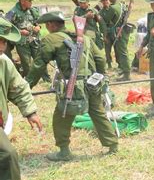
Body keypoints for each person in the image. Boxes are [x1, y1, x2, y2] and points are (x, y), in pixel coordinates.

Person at [26, 11, 118, 161]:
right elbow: (100, 58)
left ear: (50, 25)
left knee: (62, 116)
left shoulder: (51, 39)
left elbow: (39, 64)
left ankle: (64, 151)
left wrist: (27, 86)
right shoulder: (85, 38)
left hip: (72, 86)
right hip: (92, 83)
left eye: (46, 26)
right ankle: (113, 145)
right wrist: (101, 77)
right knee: (98, 112)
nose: (46, 29)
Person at [0, 18, 43, 180]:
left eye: (4, 42)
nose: (2, 46)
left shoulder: (3, 62)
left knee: (7, 154)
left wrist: (30, 112)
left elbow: (17, 87)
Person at [5, 0, 41, 77]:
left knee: (39, 59)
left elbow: (37, 22)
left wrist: (38, 27)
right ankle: (27, 79)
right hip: (21, 42)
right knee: (26, 63)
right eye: (30, 1)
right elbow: (6, 27)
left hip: (33, 40)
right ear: (23, 1)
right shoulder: (12, 12)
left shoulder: (32, 10)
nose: (31, 3)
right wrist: (20, 32)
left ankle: (45, 78)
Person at [101, 0, 132, 81]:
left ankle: (127, 74)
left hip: (119, 33)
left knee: (122, 53)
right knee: (121, 52)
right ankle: (123, 70)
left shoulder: (112, 8)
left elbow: (104, 18)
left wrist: (100, 10)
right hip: (122, 32)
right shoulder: (121, 5)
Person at [98, 0, 113, 69]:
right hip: (107, 33)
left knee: (118, 50)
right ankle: (109, 64)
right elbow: (101, 25)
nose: (105, 2)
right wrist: (104, 36)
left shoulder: (114, 9)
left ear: (109, 0)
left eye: (106, 0)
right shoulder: (101, 12)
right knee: (107, 50)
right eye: (103, 1)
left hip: (116, 33)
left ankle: (120, 66)